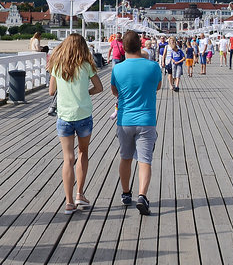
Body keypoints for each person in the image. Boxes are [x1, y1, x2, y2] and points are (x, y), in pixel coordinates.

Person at [48, 32, 104, 213]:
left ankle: (69, 202)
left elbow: (51, 92)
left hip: (64, 116)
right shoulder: (86, 65)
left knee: (68, 158)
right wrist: (85, 93)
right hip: (84, 115)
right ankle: (80, 193)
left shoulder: (57, 65)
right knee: (83, 152)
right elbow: (99, 87)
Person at [111, 30, 162, 216]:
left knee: (125, 157)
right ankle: (142, 196)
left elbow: (114, 91)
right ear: (140, 45)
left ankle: (126, 194)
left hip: (125, 120)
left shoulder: (117, 69)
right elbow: (158, 86)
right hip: (147, 119)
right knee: (144, 160)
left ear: (123, 47)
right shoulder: (153, 66)